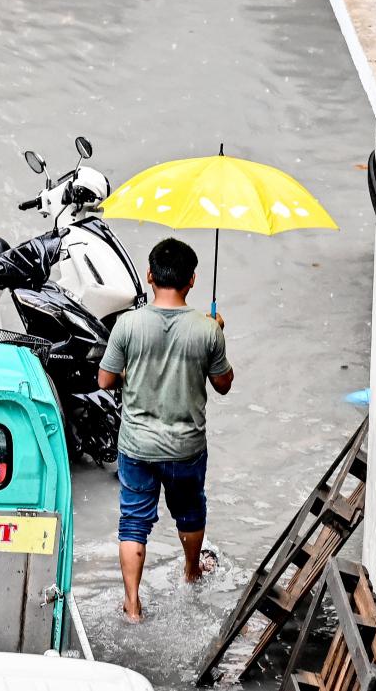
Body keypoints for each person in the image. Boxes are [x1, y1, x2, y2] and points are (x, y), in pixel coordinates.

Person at [97, 237, 234, 622]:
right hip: (185, 447)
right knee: (190, 512)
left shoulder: (128, 324)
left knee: (134, 520)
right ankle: (191, 573)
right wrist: (218, 333)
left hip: (137, 445)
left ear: (149, 276)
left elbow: (105, 380)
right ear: (192, 280)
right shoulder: (206, 330)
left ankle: (133, 603)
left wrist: (131, 371)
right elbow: (223, 384)